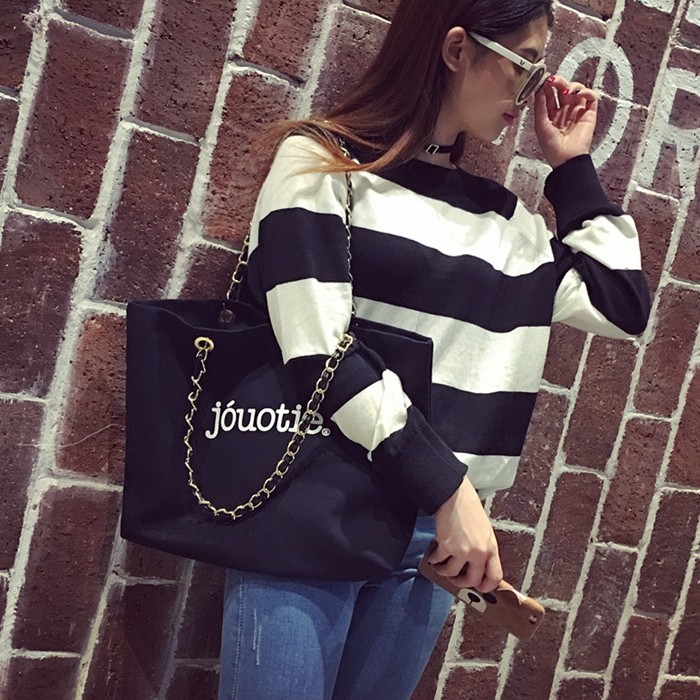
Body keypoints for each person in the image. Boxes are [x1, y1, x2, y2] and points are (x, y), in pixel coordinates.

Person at [217, 1, 650, 698]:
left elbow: (622, 305)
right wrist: (449, 487)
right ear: (456, 49)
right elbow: (318, 349)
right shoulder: (322, 164)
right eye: (524, 64)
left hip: (434, 546)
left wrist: (572, 168)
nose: (534, 89)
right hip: (315, 509)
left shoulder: (507, 224)